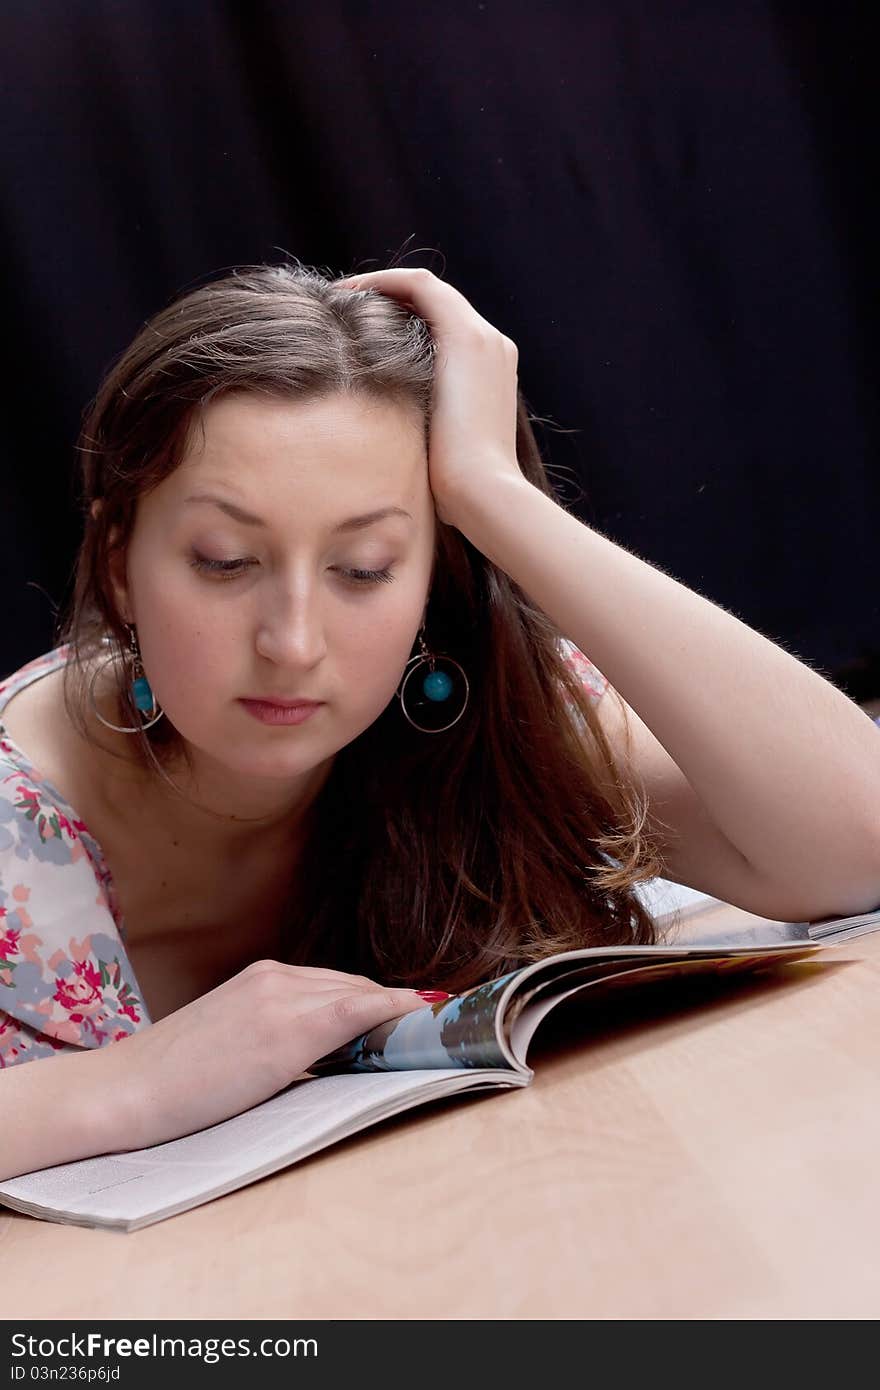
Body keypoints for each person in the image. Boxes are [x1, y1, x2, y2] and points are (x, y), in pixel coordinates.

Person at [2, 261, 879, 1181]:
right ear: (116, 569)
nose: (294, 642)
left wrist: (491, 492)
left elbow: (855, 847)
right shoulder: (15, 823)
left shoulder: (476, 711)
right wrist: (133, 1084)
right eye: (225, 561)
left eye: (367, 567)